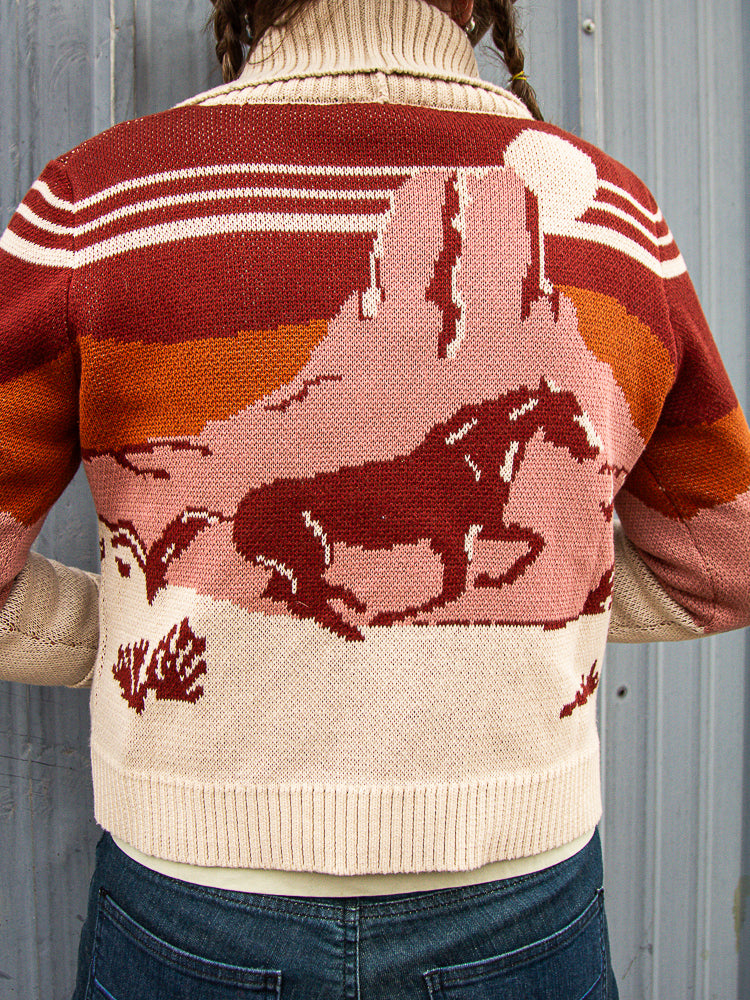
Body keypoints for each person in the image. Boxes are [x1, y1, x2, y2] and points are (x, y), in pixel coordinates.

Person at [1, 0, 748, 995]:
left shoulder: (99, 202)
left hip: (193, 902)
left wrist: (146, 625)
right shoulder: (617, 222)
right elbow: (726, 566)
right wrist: (535, 612)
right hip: (518, 901)